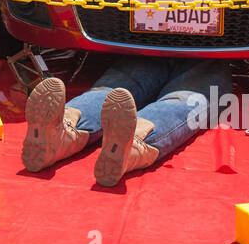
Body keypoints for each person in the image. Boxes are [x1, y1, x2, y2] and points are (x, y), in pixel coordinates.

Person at [21, 57, 230, 187]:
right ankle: (133, 145)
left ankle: (64, 130)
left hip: (146, 47)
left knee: (116, 88)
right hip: (208, 54)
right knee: (184, 100)